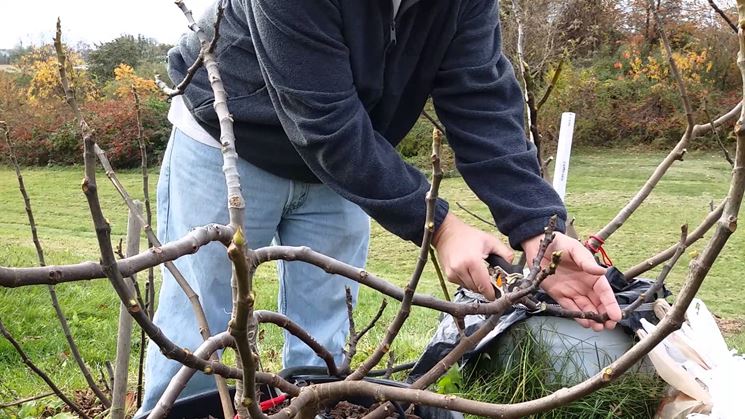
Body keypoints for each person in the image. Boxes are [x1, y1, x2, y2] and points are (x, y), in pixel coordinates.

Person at [140, 0, 622, 411]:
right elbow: (323, 117)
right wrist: (440, 227)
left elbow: (479, 96)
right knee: (200, 326)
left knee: (324, 340)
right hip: (230, 138)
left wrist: (539, 227)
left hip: (348, 157)